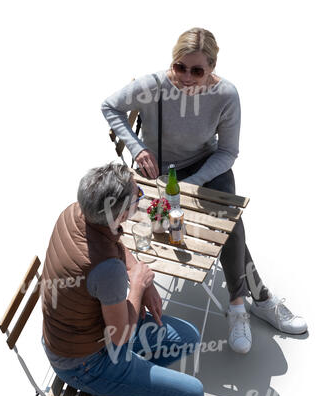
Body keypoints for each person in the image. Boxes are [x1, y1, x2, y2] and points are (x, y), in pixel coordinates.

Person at [101, 27, 308, 354]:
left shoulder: (226, 95)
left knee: (228, 221)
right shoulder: (154, 85)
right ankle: (260, 295)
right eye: (180, 67)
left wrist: (192, 184)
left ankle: (239, 303)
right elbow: (109, 106)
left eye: (197, 71)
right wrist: (137, 147)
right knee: (220, 226)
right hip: (160, 169)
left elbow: (227, 152)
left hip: (205, 166)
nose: (185, 77)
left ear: (212, 68)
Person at [40, 162, 204, 396]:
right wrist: (139, 285)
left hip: (77, 334)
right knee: (191, 395)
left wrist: (137, 271)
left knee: (187, 336)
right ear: (121, 213)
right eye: (137, 195)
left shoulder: (75, 213)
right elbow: (120, 337)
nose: (140, 197)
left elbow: (113, 242)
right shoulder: (106, 269)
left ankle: (121, 385)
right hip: (84, 363)